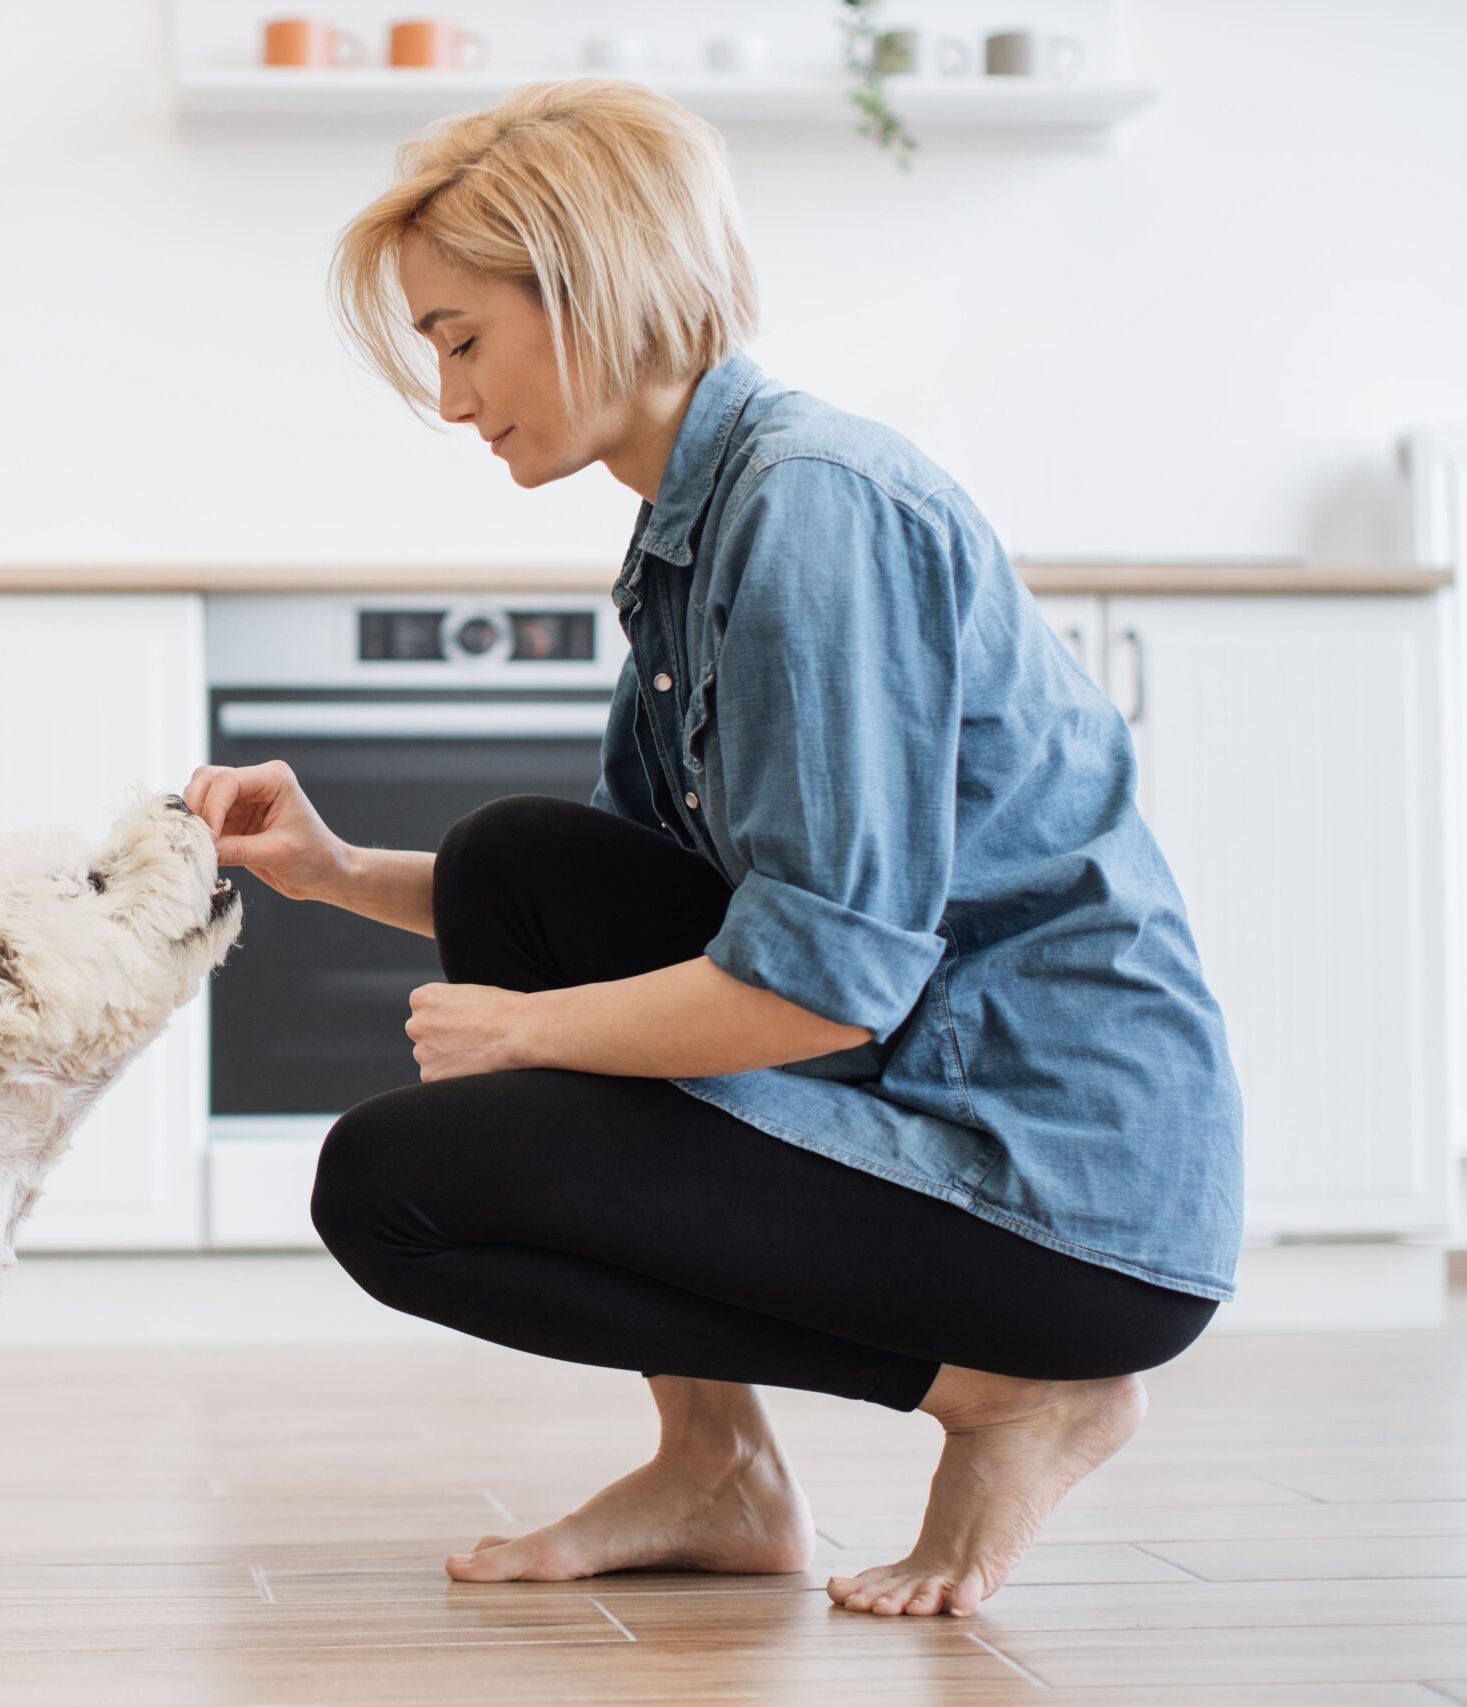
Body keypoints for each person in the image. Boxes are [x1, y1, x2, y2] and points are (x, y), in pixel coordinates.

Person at [183, 79, 1242, 1620]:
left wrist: (526, 1033)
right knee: (511, 866)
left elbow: (824, 985)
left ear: (593, 285)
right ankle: (717, 1468)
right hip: (919, 1102)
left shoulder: (811, 509)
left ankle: (1015, 1395)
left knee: (391, 1183)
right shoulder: (698, 525)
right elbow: (617, 913)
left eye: (462, 339)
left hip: (1062, 1192)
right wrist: (340, 874)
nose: (451, 397)